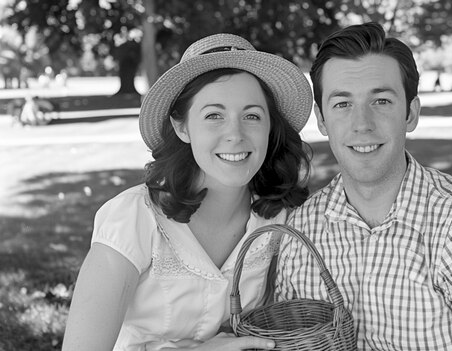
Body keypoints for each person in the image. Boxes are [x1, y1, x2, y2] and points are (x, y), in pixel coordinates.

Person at [274, 22, 452, 350]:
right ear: (322, 120)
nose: (362, 124)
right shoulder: (303, 230)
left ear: (410, 113)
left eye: (381, 101)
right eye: (342, 104)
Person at [62, 33, 313, 351]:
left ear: (269, 128)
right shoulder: (133, 219)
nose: (234, 134)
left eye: (252, 115)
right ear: (182, 127)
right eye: (213, 116)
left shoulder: (281, 221)